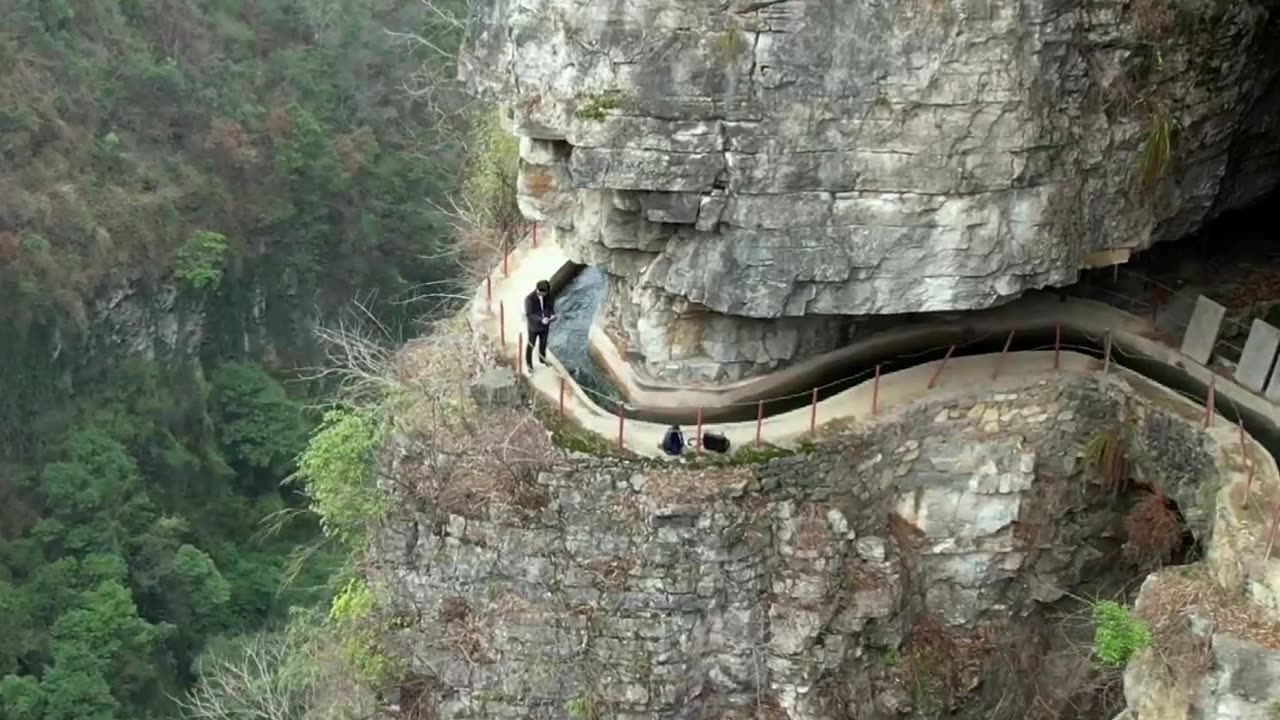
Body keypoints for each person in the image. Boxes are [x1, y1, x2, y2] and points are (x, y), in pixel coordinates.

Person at [524, 279, 556, 369]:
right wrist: (541, 320)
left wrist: (552, 314)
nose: (546, 295)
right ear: (538, 290)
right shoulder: (529, 299)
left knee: (543, 344)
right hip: (534, 327)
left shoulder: (548, 295)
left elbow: (550, 306)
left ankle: (542, 359)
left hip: (545, 326)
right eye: (544, 293)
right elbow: (529, 314)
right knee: (531, 345)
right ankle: (529, 364)